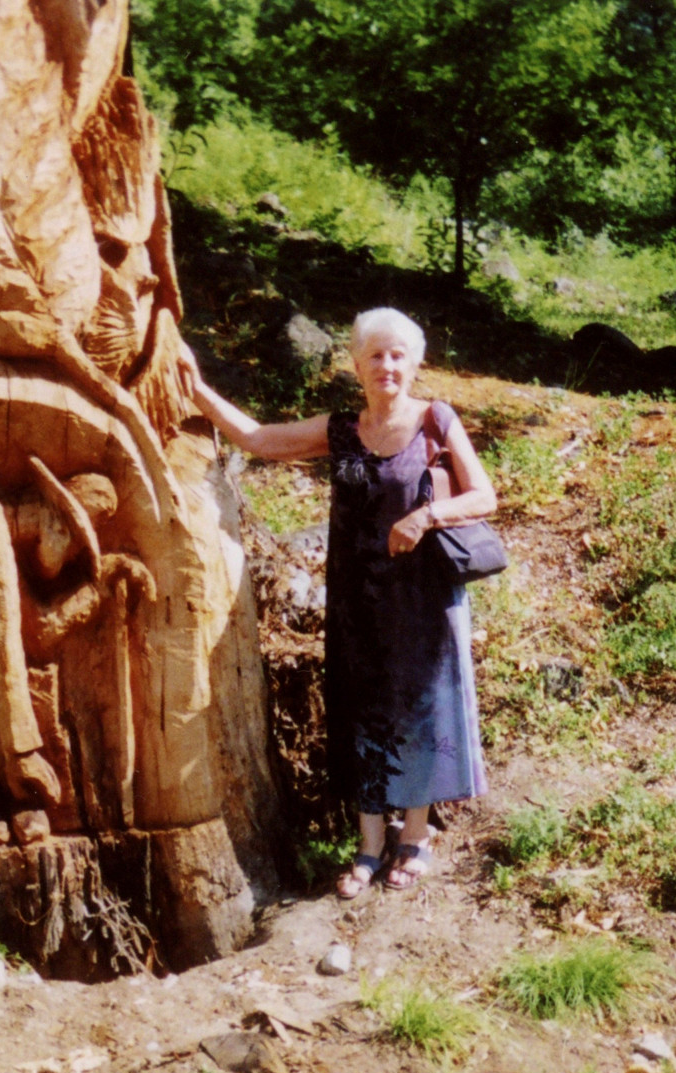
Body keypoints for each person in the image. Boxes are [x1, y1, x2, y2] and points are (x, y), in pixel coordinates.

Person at [183, 308, 496, 897]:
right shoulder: (342, 431)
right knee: (362, 708)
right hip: (357, 599)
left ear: (416, 363)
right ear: (356, 365)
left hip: (422, 598)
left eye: (398, 355)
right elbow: (257, 439)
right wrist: (198, 390)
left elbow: (484, 495)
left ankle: (416, 837)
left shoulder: (436, 420)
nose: (387, 365)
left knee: (420, 709)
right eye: (375, 355)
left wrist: (426, 516)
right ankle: (369, 844)